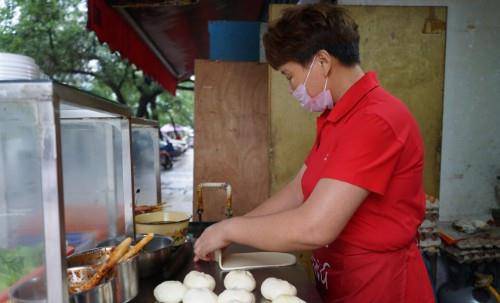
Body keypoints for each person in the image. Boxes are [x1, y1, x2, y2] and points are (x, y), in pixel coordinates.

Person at [193, 3, 434, 302]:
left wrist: (231, 230)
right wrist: (234, 235)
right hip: (338, 277)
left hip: (379, 285)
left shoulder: (376, 120)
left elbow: (315, 227)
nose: (292, 87)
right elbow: (297, 191)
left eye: (289, 76)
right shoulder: (336, 117)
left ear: (322, 61)